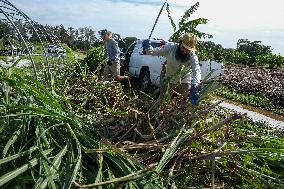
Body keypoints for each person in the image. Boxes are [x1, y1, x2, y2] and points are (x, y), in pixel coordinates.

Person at [142, 33, 201, 105]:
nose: (185, 51)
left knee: (182, 105)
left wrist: (195, 86)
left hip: (184, 83)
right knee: (163, 103)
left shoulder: (192, 56)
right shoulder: (170, 47)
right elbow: (153, 52)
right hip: (169, 81)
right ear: (180, 43)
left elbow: (197, 70)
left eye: (188, 50)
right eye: (183, 48)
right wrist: (147, 48)